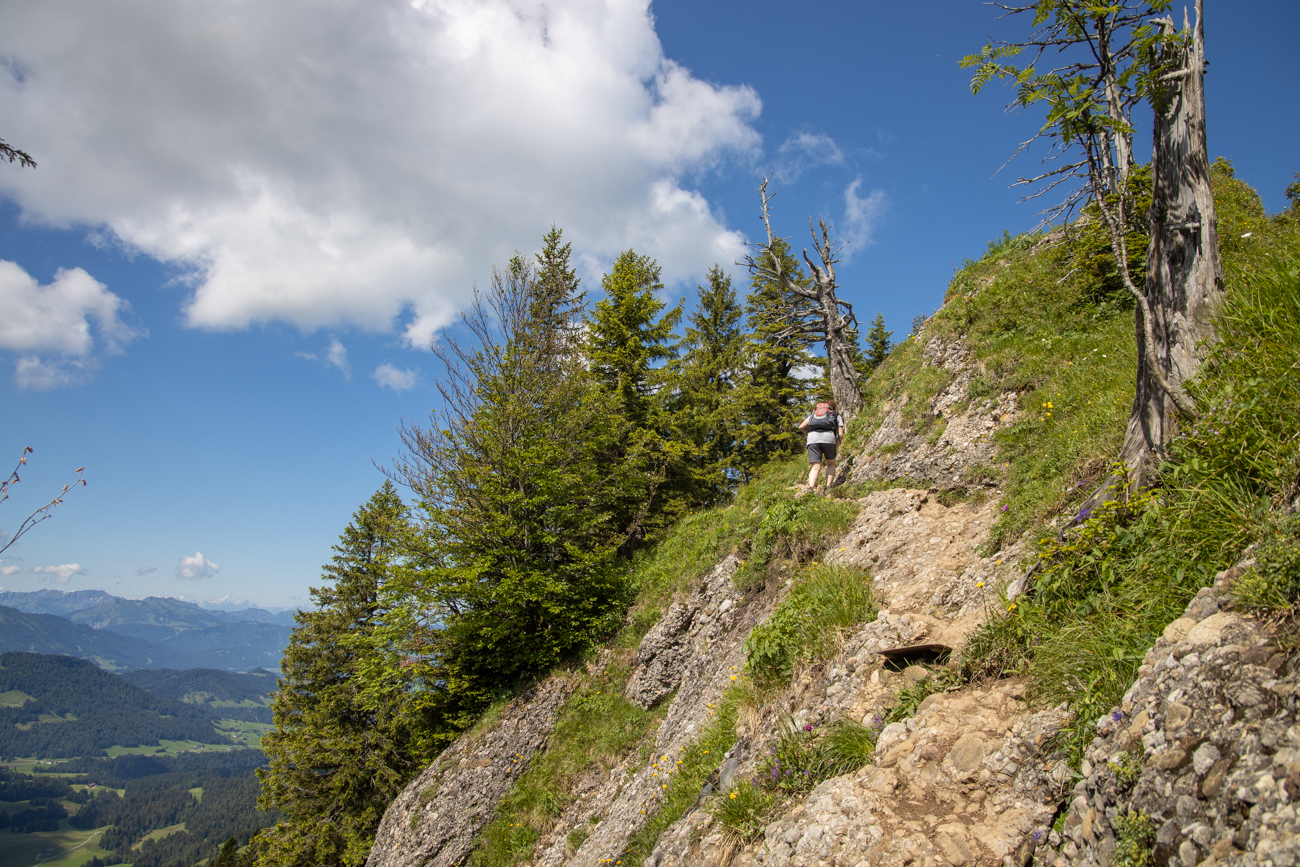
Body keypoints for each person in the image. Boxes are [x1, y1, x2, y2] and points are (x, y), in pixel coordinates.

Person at [799, 400, 844, 494]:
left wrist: (811, 433)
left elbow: (801, 427)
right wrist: (836, 446)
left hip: (812, 439)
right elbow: (840, 434)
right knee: (831, 463)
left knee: (815, 467)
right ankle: (827, 488)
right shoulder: (836, 415)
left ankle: (811, 488)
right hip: (829, 439)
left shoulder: (813, 415)